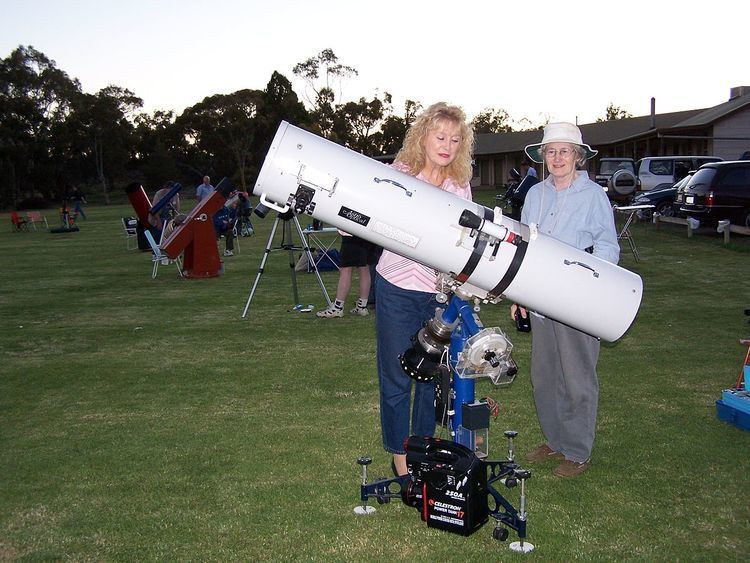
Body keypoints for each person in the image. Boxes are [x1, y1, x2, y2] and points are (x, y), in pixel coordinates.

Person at [511, 122, 619, 478]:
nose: (557, 158)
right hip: (541, 297)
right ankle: (555, 440)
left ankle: (577, 451)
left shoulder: (593, 196)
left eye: (565, 151)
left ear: (578, 156)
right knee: (545, 377)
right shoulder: (535, 195)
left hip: (577, 300)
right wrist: (519, 295)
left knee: (577, 377)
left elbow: (607, 246)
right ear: (543, 157)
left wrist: (592, 284)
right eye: (551, 151)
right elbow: (524, 247)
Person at [374, 102, 474, 477]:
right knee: (398, 376)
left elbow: (464, 242)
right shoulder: (398, 174)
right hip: (397, 289)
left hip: (438, 294)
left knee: (428, 375)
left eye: (454, 139)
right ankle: (401, 462)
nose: (446, 145)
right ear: (424, 136)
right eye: (440, 136)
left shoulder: (459, 185)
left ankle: (422, 452)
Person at [316, 234, 380, 318]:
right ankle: (362, 306)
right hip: (367, 233)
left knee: (346, 268)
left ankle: (337, 308)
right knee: (364, 267)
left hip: (352, 234)